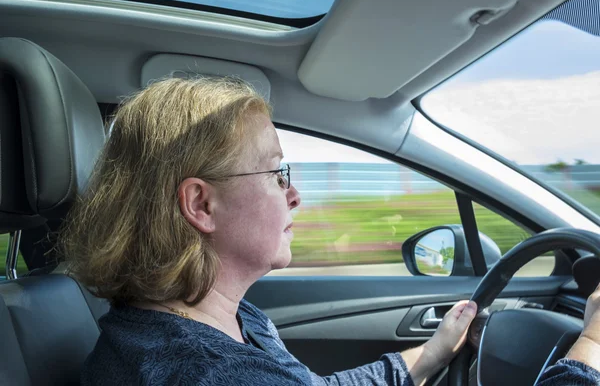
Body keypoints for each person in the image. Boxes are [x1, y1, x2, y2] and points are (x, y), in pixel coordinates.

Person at [59, 76, 599, 385]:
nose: (295, 194)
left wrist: (431, 353)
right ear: (201, 204)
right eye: (276, 173)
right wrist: (592, 342)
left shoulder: (202, 325)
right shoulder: (209, 372)